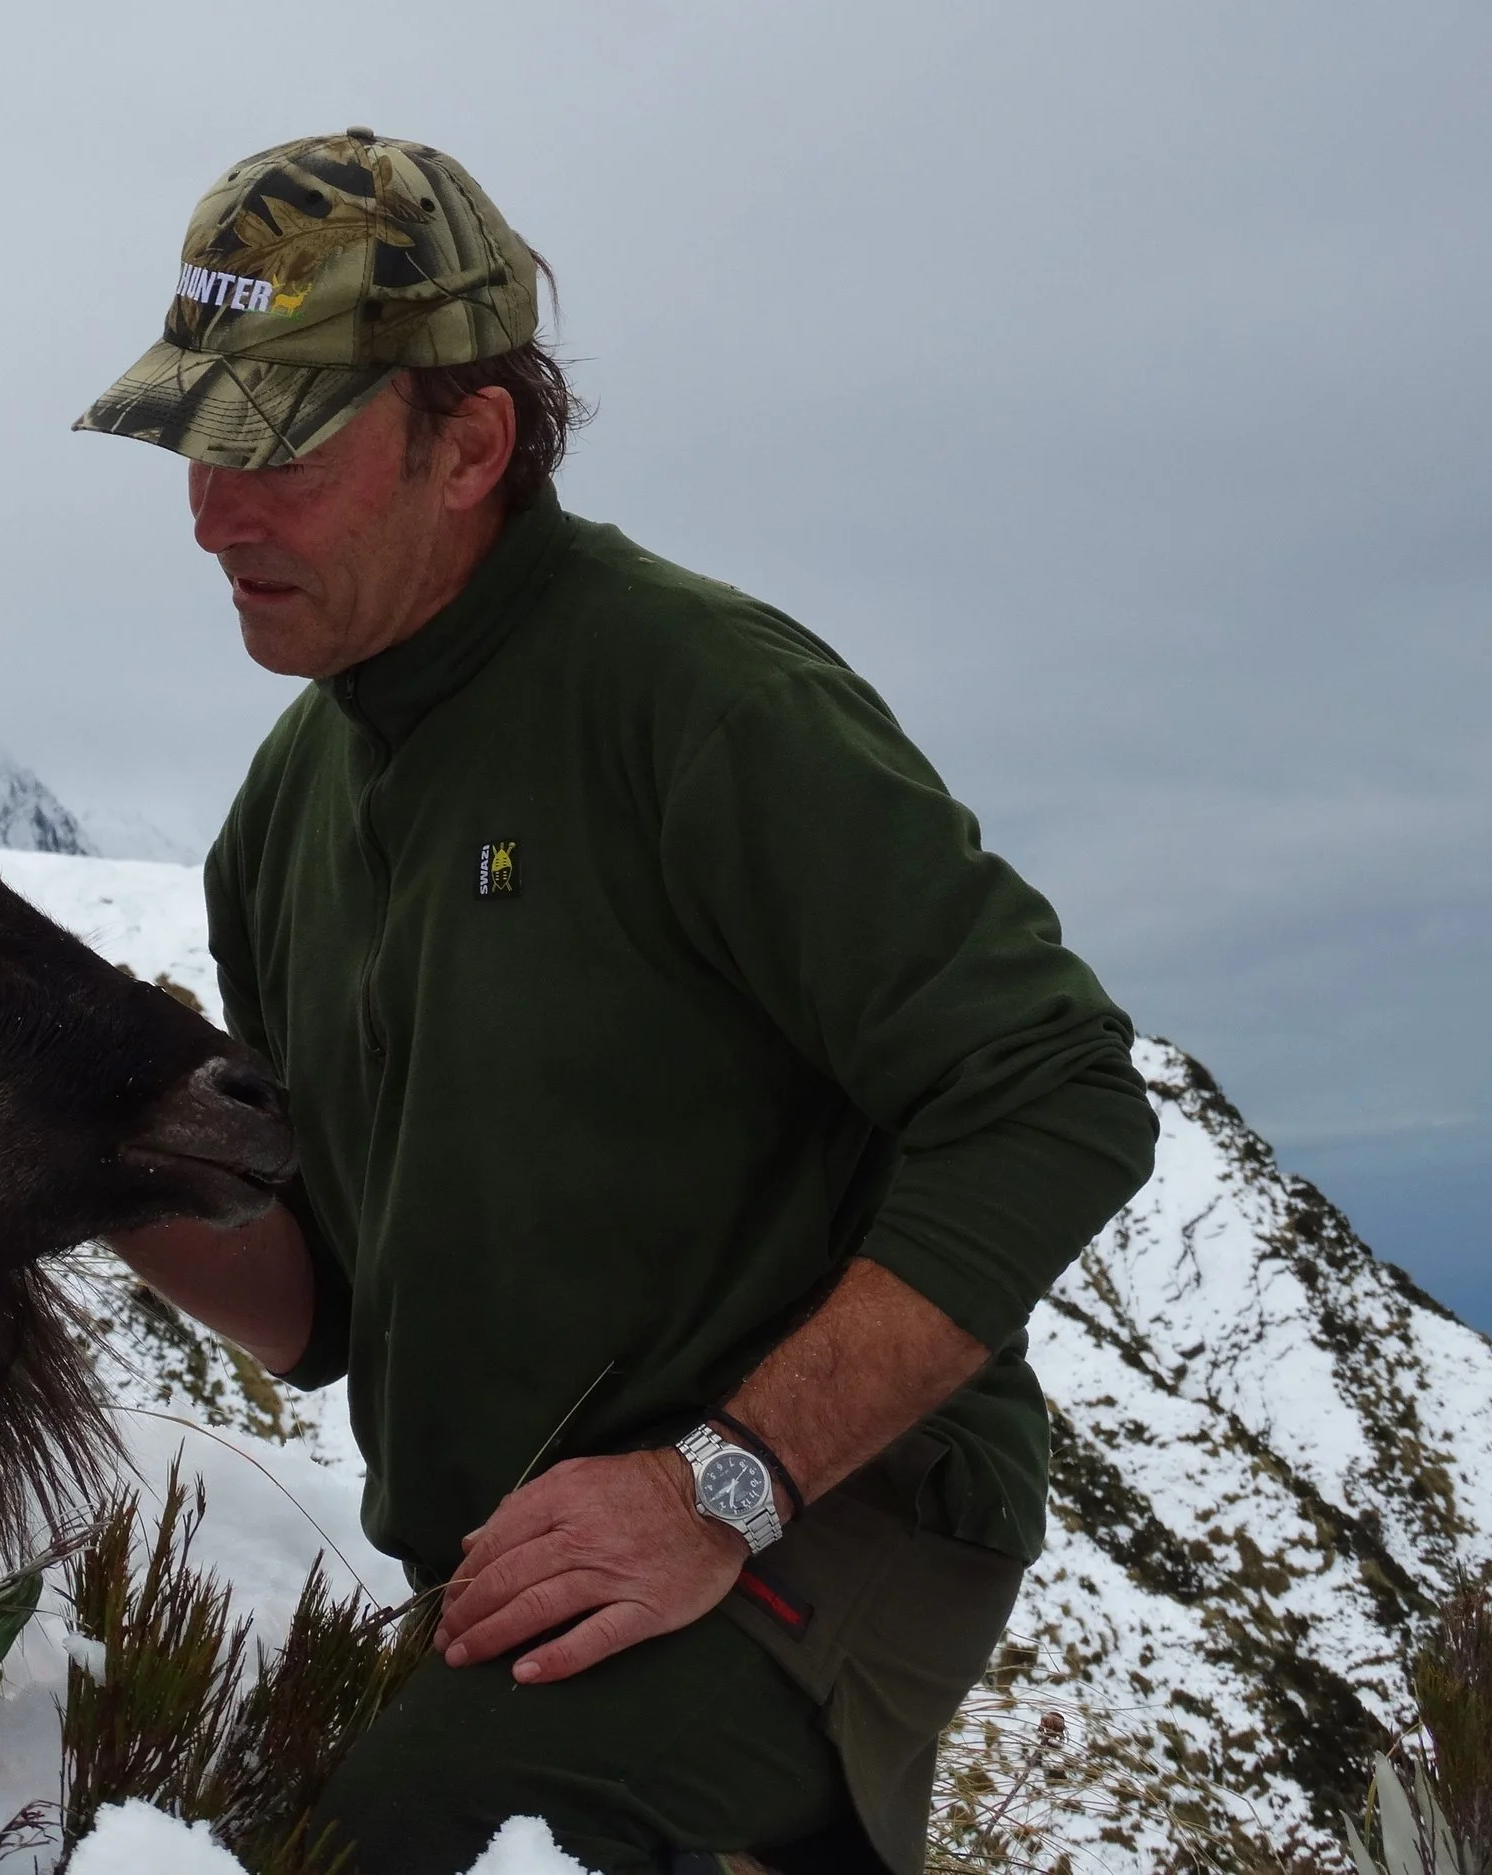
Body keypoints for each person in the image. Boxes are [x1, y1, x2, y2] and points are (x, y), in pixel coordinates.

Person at [78, 129, 1158, 1875]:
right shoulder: (280, 819)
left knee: (398, 1845)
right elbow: (321, 1309)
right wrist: (84, 1155)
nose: (214, 510)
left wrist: (717, 1488)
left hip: (826, 1515)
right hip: (537, 1555)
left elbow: (1056, 1098)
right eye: (199, 439)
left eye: (275, 446)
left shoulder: (698, 701)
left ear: (472, 443)